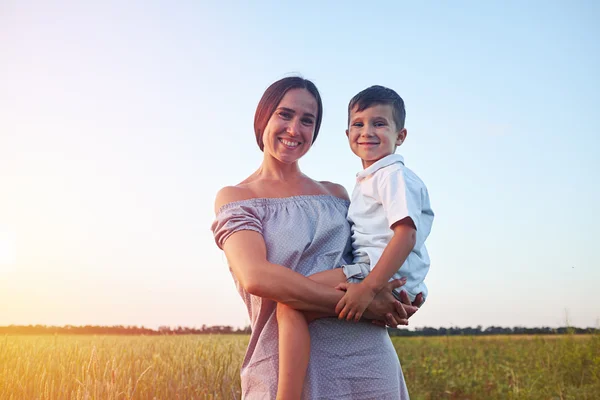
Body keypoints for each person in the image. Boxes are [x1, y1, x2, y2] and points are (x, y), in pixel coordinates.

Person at [212, 76, 420, 399]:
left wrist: (400, 296)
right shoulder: (237, 198)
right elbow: (256, 277)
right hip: (283, 372)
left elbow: (373, 257)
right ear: (263, 117)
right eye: (285, 114)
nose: (295, 129)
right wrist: (365, 304)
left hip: (367, 364)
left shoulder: (337, 195)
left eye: (307, 120)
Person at [276, 85, 434, 399]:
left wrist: (368, 288)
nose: (367, 132)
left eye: (379, 124)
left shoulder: (393, 176)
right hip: (381, 275)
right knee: (300, 310)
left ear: (400, 136)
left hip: (375, 273)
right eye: (359, 124)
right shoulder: (370, 179)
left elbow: (407, 234)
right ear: (347, 133)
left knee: (289, 306)